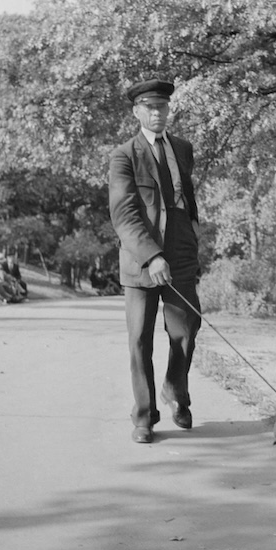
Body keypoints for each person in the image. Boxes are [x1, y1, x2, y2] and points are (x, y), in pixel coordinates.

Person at [109, 78, 201, 444]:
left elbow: (185, 196)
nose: (157, 113)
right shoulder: (124, 155)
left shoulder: (182, 148)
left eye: (162, 106)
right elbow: (124, 215)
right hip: (140, 257)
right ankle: (144, 416)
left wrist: (192, 231)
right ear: (137, 112)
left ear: (168, 109)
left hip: (181, 249)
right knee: (140, 340)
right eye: (149, 107)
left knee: (186, 330)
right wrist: (153, 256)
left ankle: (175, 391)